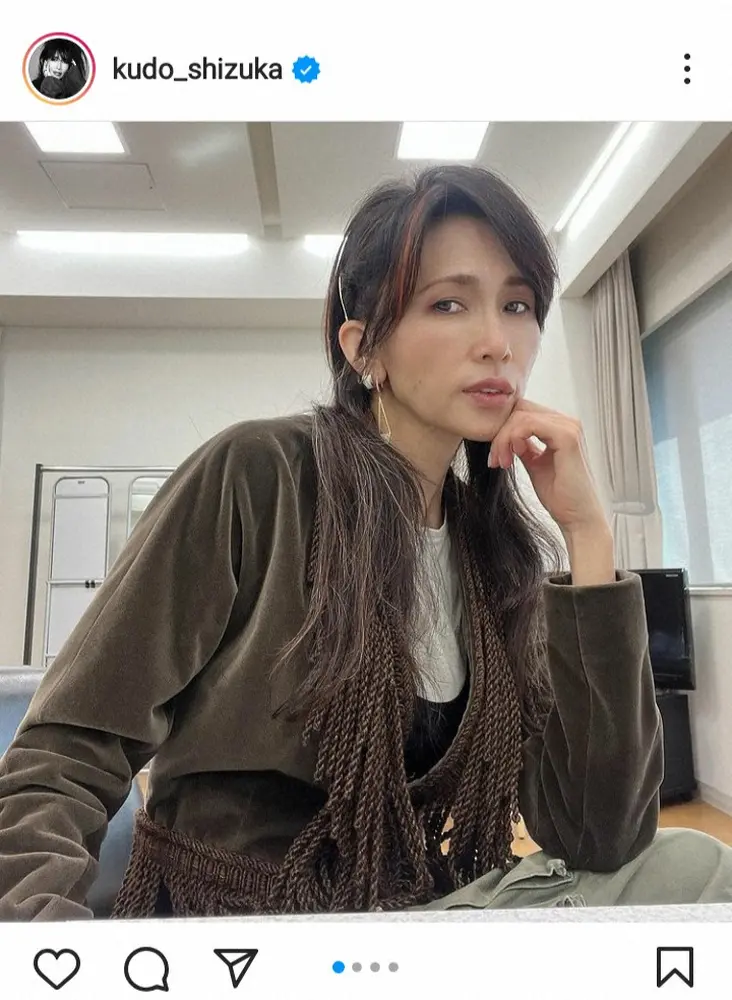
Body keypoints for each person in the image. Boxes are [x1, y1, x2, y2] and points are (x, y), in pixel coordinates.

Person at [0, 165, 730, 921]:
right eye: (448, 303)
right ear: (363, 349)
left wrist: (588, 533)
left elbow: (600, 836)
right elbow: (62, 756)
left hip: (409, 918)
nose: (497, 343)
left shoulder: (495, 553)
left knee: (695, 865)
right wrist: (44, 952)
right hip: (238, 925)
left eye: (517, 305)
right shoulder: (258, 475)